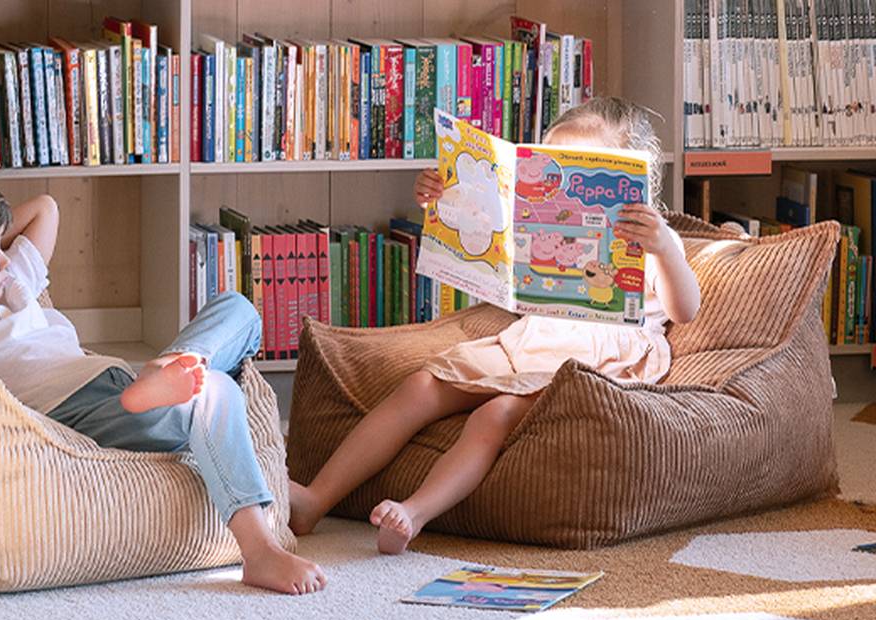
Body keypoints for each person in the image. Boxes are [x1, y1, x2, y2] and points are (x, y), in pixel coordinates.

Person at [0, 172, 326, 595]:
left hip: (116, 378)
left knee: (238, 307)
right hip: (74, 409)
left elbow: (45, 208)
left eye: (2, 245)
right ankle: (258, 550)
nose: (4, 256)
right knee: (216, 391)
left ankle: (177, 362)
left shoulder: (10, 286)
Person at [288, 97, 702, 554]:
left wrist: (663, 248)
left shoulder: (655, 236)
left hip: (598, 358)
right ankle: (314, 499)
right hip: (534, 333)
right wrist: (443, 200)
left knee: (496, 413)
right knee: (422, 385)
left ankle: (414, 512)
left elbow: (684, 309)